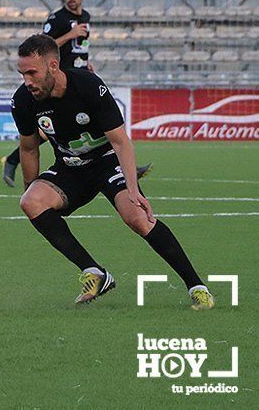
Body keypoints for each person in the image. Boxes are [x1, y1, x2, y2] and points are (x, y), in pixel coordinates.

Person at [11, 34, 213, 310]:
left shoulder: (88, 86)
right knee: (30, 202)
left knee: (138, 219)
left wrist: (132, 189)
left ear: (54, 66)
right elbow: (29, 148)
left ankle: (197, 287)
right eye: (22, 74)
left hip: (108, 162)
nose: (27, 81)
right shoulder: (23, 100)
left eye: (32, 72)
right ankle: (95, 272)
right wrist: (31, 187)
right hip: (70, 168)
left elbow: (120, 141)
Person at [1, 0, 151, 186]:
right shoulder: (57, 19)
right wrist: (70, 34)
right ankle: (14, 159)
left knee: (96, 124)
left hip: (79, 79)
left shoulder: (85, 17)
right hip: (58, 81)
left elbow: (79, 46)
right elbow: (43, 48)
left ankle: (120, 167)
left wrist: (85, 63)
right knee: (54, 129)